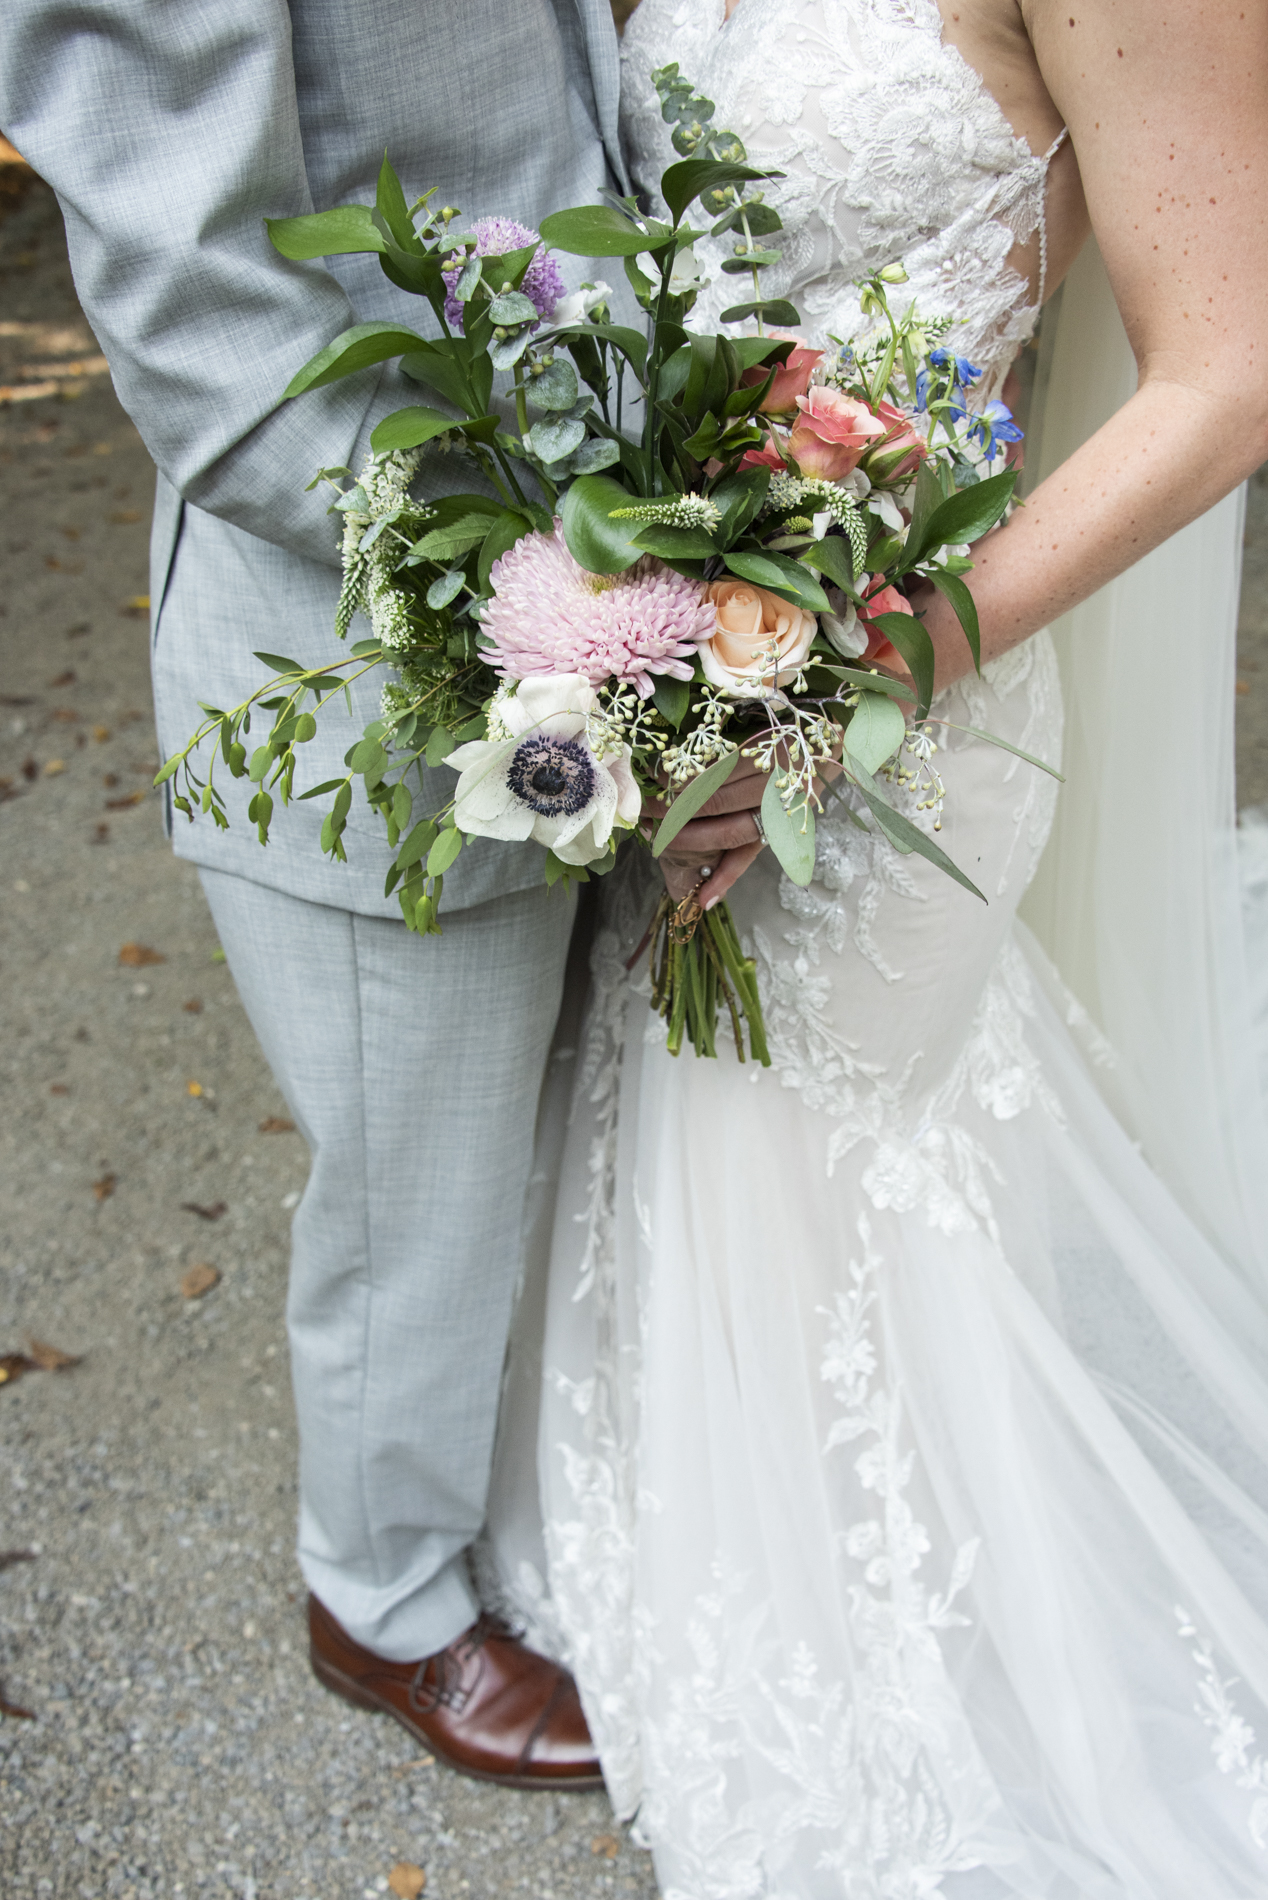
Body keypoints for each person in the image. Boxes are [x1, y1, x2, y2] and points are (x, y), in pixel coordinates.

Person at [479, 0, 1268, 1890]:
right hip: (696, 667)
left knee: (837, 1170)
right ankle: (708, 1552)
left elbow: (1227, 373)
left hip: (925, 700)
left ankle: (898, 1649)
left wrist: (859, 671)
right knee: (702, 1128)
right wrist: (638, 643)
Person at [0, 0, 632, 1790]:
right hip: (381, 637)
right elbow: (201, 309)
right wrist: (527, 585)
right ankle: (385, 1599)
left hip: (625, 562)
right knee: (413, 1179)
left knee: (556, 1106)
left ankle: (529, 1498)